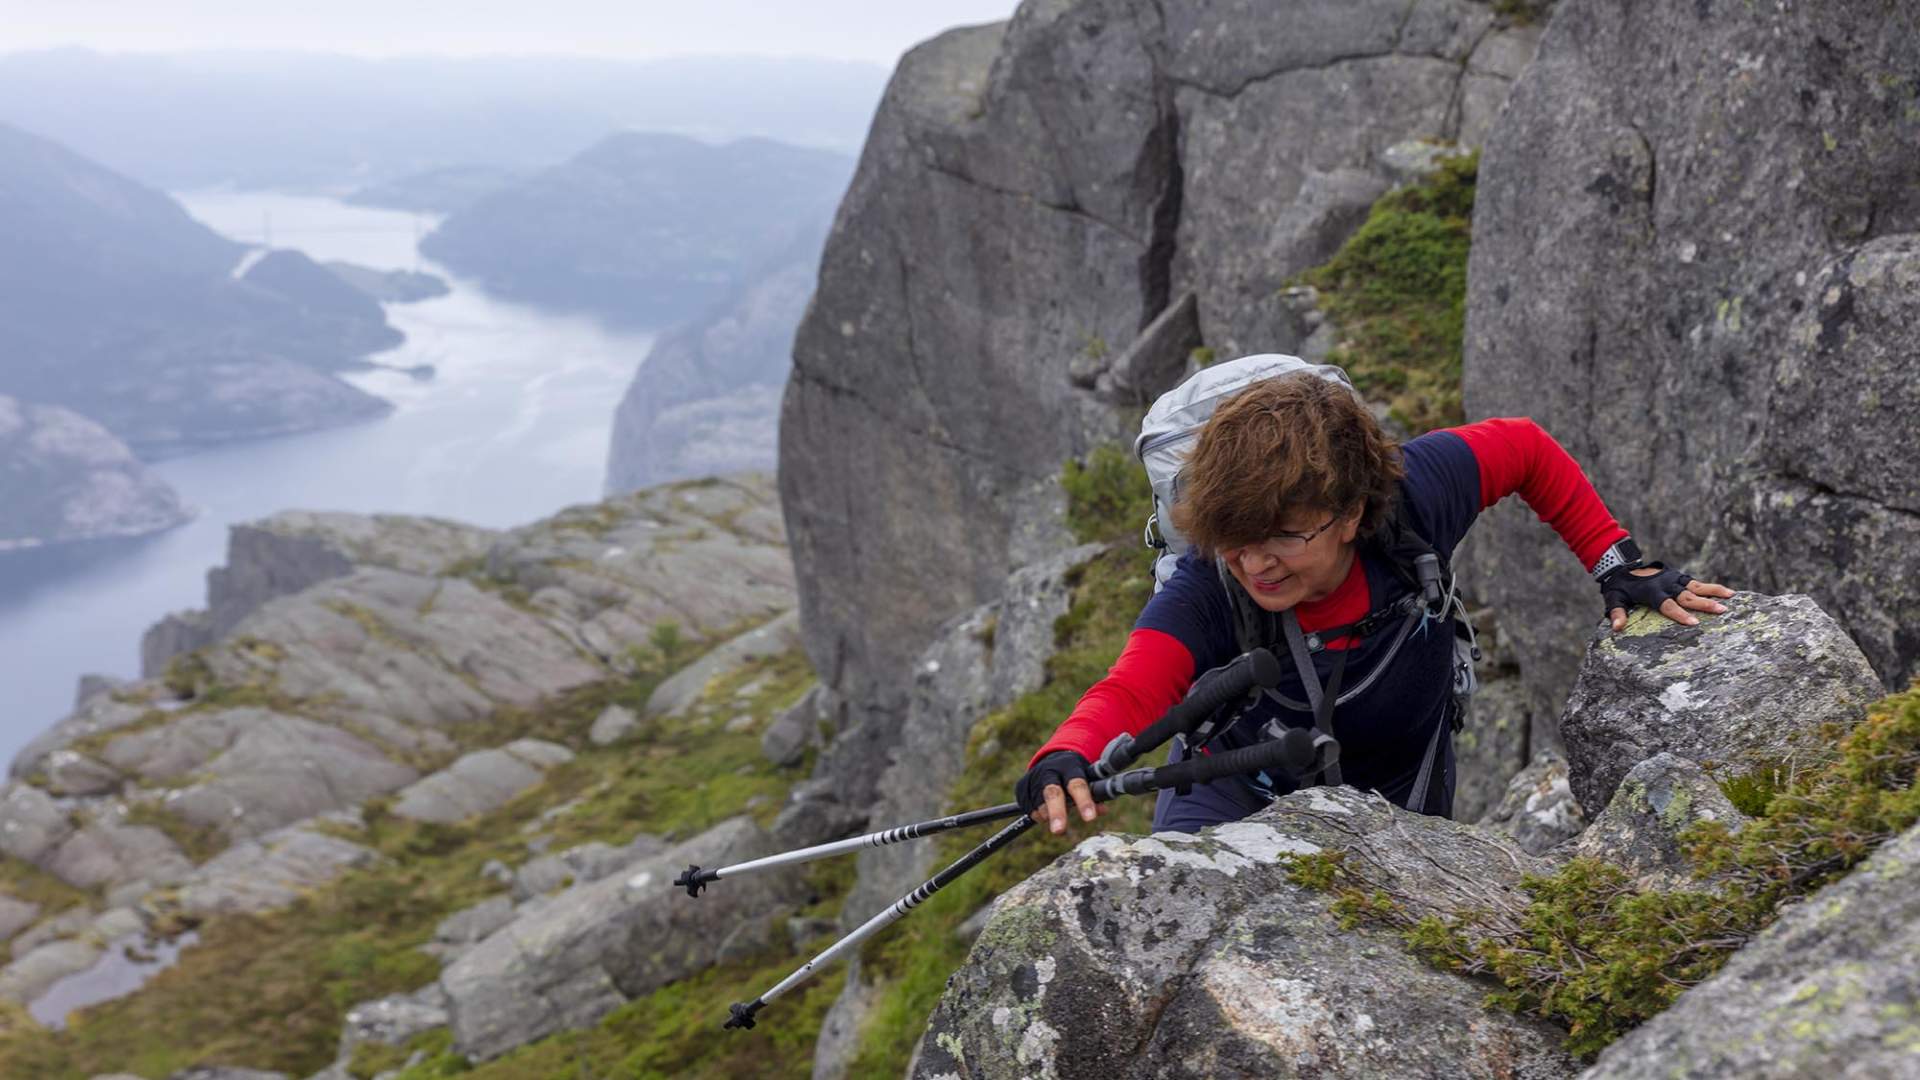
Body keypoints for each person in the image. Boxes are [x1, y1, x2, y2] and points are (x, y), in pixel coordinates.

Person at [1014, 372, 1733, 835]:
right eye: (1236, 540)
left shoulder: (1415, 497)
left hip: (1402, 789)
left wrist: (1616, 563)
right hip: (1231, 796)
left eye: (1285, 537)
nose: (1256, 563)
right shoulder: (1213, 582)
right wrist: (1067, 753)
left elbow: (1525, 449)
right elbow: (1135, 683)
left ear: (1353, 512)